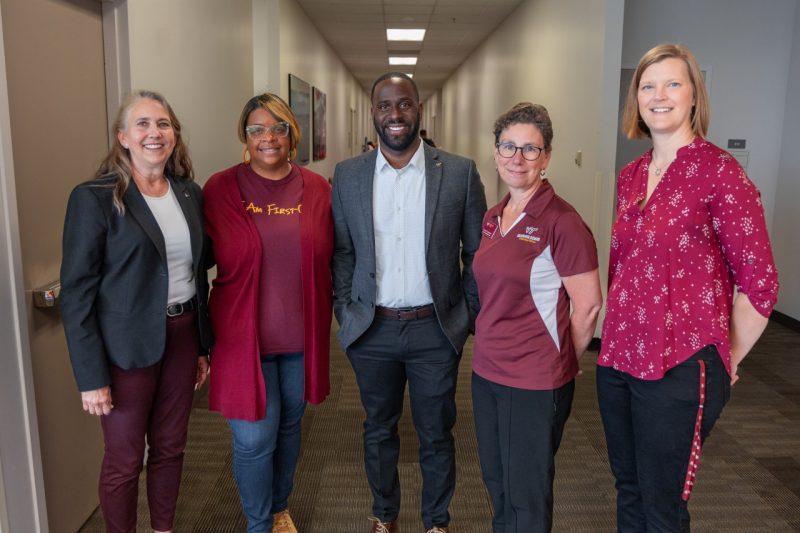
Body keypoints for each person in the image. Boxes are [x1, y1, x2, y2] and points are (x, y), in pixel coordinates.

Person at [597, 43, 779, 532]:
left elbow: (760, 283)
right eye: (647, 86)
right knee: (629, 488)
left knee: (663, 505)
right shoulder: (631, 176)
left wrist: (726, 358)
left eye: (673, 83)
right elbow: (626, 268)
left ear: (695, 95)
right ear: (635, 99)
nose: (659, 95)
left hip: (680, 363)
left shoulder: (720, 173)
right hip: (618, 358)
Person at [332, 72, 487, 533]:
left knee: (436, 432)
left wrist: (468, 315)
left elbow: (476, 250)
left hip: (434, 329)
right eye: (384, 106)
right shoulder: (348, 175)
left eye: (403, 104)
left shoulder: (458, 172)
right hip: (372, 329)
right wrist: (345, 311)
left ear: (419, 109)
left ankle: (437, 522)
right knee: (378, 429)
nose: (394, 115)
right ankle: (384, 515)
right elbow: (343, 251)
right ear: (373, 113)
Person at [60, 90, 212, 533]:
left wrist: (203, 345)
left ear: (174, 135)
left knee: (171, 447)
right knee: (126, 459)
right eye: (142, 124)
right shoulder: (95, 197)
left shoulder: (188, 193)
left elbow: (196, 272)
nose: (154, 133)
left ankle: (163, 529)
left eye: (163, 124)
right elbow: (77, 293)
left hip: (182, 337)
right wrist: (91, 378)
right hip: (124, 350)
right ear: (123, 136)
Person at [203, 93, 333, 533]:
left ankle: (280, 509)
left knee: (290, 426)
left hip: (301, 337)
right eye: (257, 129)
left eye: (277, 127)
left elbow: (339, 255)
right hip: (243, 339)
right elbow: (192, 258)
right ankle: (259, 524)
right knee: (255, 438)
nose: (268, 138)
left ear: (292, 133)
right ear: (245, 136)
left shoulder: (317, 189)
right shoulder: (220, 189)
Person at [471, 103, 602, 532]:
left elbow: (588, 306)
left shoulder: (562, 223)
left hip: (533, 380)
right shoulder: (494, 217)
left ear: (546, 158)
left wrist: (562, 360)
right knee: (497, 483)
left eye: (531, 149)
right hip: (487, 371)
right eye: (509, 146)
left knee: (527, 495)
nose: (517, 157)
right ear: (495, 152)